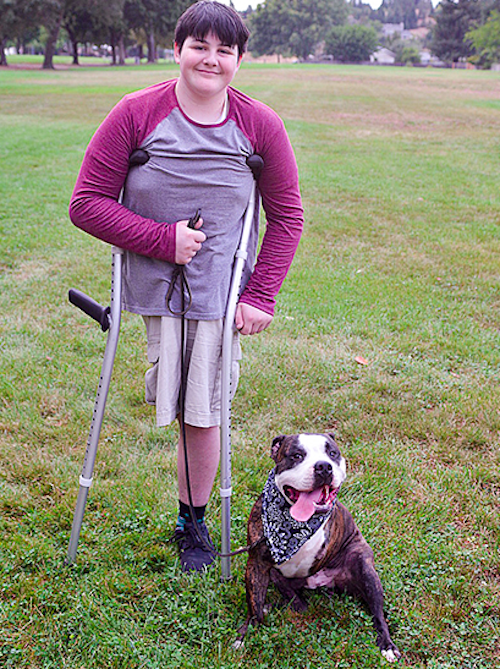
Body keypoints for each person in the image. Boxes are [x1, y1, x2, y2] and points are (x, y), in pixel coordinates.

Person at [69, 0, 304, 572]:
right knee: (175, 403)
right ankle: (190, 515)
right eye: (200, 46)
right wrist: (161, 240)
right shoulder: (135, 113)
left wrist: (260, 294)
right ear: (178, 51)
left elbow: (288, 214)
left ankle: (192, 521)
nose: (211, 59)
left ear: (239, 59)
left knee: (203, 412)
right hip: (153, 287)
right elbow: (86, 204)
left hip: (219, 298)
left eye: (226, 50)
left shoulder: (260, 125)